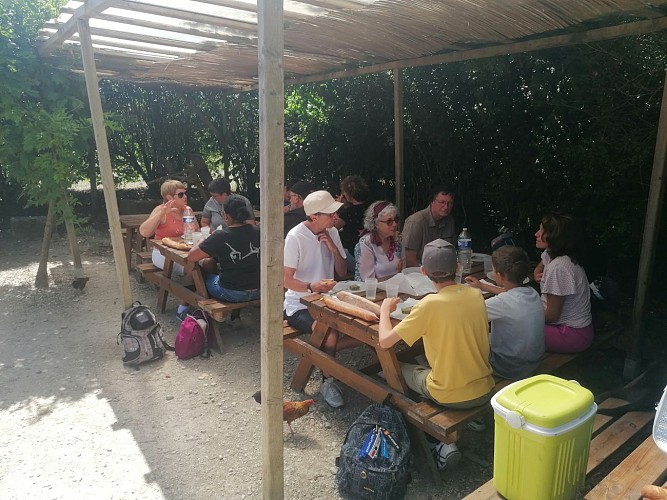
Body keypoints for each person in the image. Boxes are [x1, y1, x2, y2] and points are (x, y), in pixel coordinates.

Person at [378, 239, 494, 470]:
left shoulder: (428, 305)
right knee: (435, 362)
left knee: (389, 370)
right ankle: (475, 420)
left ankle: (438, 441)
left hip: (449, 394)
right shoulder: (475, 295)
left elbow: (384, 341)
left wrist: (383, 310)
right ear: (458, 268)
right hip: (484, 388)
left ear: (423, 272)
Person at [283, 190, 357, 408]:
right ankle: (328, 380)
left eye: (335, 212)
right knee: (329, 331)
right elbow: (285, 280)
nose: (335, 217)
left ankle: (374, 370)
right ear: (314, 216)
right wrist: (310, 286)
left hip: (328, 299)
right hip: (298, 304)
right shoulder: (295, 237)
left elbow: (342, 272)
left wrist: (333, 250)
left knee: (362, 325)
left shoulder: (332, 233)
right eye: (330, 214)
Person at [465, 246, 545, 380]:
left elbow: (466, 315)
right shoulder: (532, 293)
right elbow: (509, 292)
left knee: (467, 339)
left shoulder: (502, 303)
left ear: (499, 276)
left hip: (509, 367)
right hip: (533, 362)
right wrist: (483, 286)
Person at [139, 179, 199, 319]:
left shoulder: (187, 210)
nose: (185, 197)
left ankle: (200, 303)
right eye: (181, 194)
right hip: (162, 253)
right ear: (169, 197)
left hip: (183, 251)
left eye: (185, 193)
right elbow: (144, 232)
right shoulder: (161, 210)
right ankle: (182, 309)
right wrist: (161, 213)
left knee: (207, 264)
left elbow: (196, 232)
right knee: (193, 269)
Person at [534, 213, 593, 353]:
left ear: (556, 236)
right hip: (565, 328)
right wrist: (537, 275)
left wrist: (527, 316)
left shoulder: (559, 267)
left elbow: (552, 316)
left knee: (515, 328)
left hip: (572, 334)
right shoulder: (552, 254)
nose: (536, 234)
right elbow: (539, 267)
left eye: (542, 231)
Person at [186, 195, 260, 302]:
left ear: (226, 216)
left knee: (202, 277)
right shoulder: (259, 231)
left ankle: (203, 311)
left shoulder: (220, 235)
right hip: (259, 289)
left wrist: (204, 238)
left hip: (231, 293)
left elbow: (191, 256)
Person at [401, 185, 456, 267]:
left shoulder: (449, 221)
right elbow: (409, 259)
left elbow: (451, 252)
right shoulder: (416, 222)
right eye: (442, 202)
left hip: (442, 271)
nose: (446, 207)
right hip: (416, 273)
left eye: (450, 203)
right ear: (432, 202)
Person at [354, 201, 403, 281]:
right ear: (376, 223)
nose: (395, 224)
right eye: (389, 221)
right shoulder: (366, 243)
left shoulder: (397, 241)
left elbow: (403, 272)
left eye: (396, 220)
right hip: (369, 292)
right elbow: (368, 281)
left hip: (393, 289)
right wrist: (395, 278)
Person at [334, 175, 369, 273]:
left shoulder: (348, 212)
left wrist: (337, 207)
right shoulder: (371, 207)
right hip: (371, 252)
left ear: (347, 194)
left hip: (354, 255)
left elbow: (333, 228)